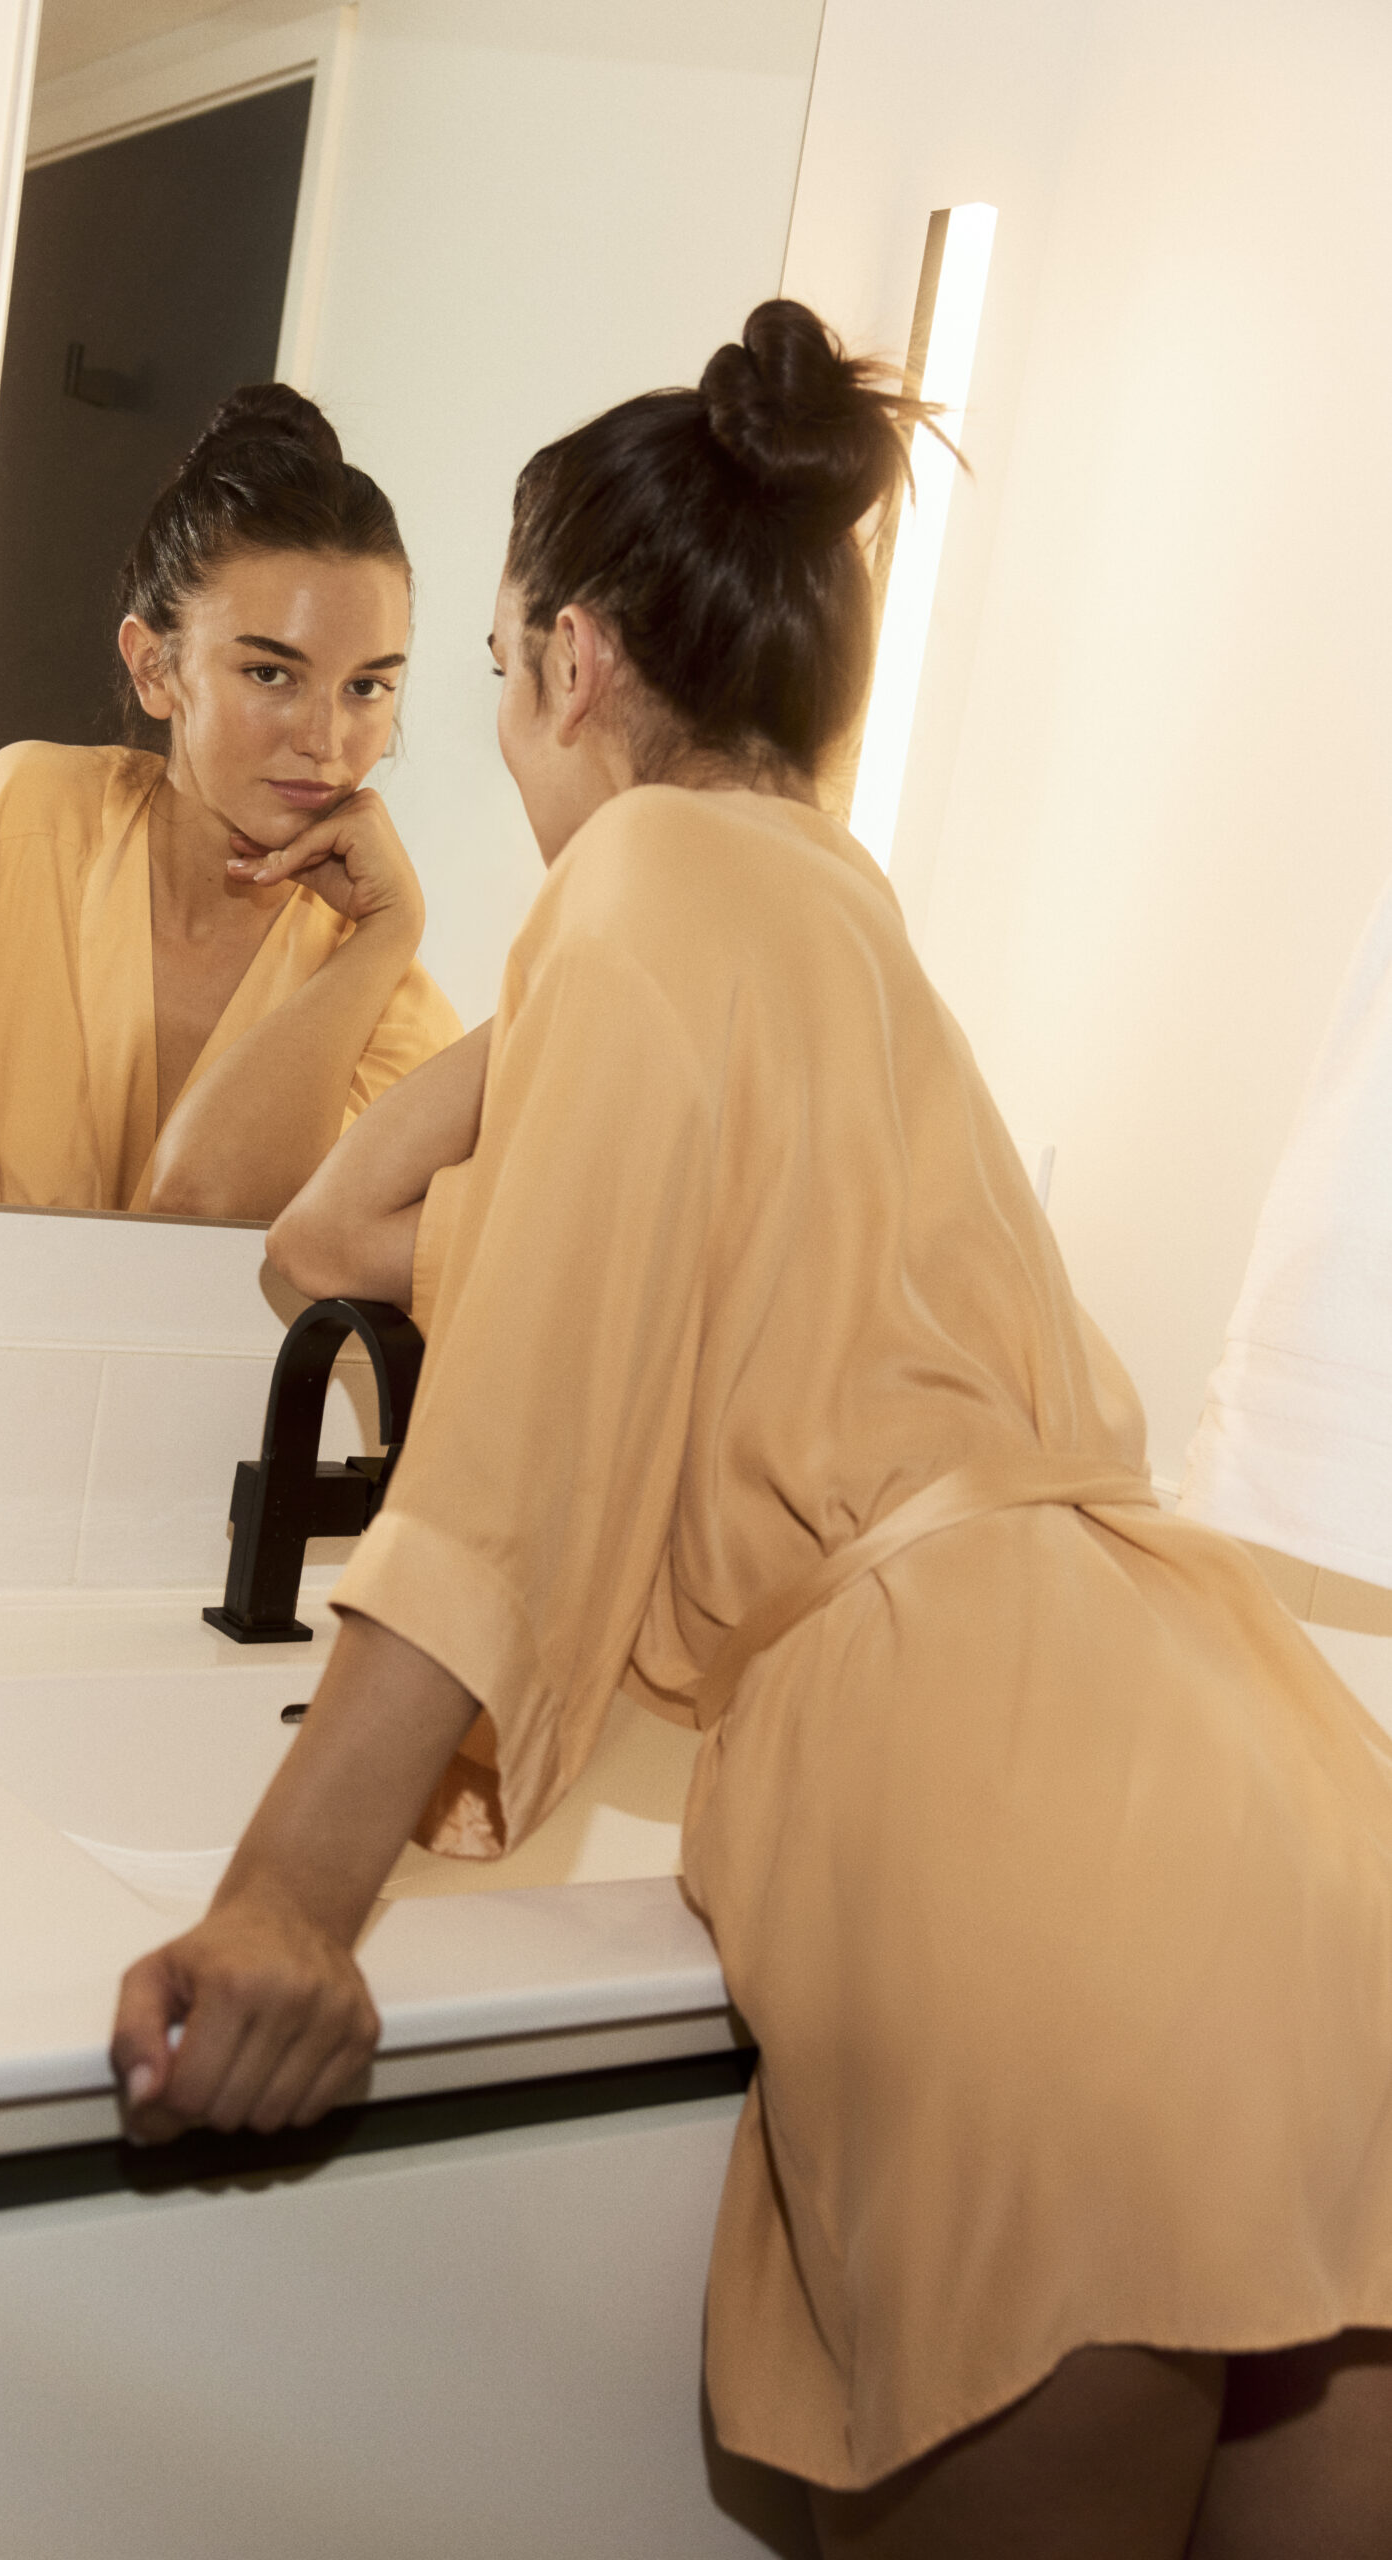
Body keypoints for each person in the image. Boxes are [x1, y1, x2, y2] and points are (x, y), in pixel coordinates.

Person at [111, 304, 1392, 2553]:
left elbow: (506, 1459)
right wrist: (568, 979)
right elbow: (332, 1233)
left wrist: (285, 1902)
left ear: (573, 659)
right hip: (1274, 1823)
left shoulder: (649, 897)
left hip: (1023, 1877)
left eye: (491, 662)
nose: (490, 737)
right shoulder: (824, 912)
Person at [0, 386, 461, 1219]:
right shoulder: (20, 826)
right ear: (154, 667)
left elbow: (215, 1262)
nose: (326, 737)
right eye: (271, 673)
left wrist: (386, 937)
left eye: (367, 685)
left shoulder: (396, 1012)